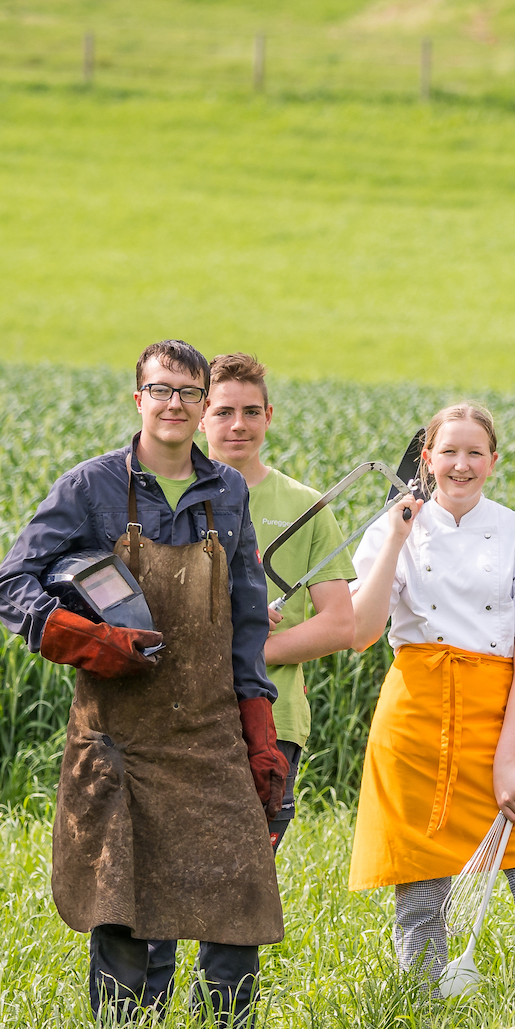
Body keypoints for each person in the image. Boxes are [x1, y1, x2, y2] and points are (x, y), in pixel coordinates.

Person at [0, 341, 288, 1026]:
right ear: (139, 399)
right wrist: (86, 640)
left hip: (210, 732)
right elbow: (11, 586)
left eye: (189, 392)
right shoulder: (90, 487)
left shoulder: (229, 491)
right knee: (123, 903)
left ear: (203, 403)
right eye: (162, 390)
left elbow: (246, 619)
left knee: (239, 895)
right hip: (120, 736)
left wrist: (259, 731)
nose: (175, 404)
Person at [343, 401, 515, 983]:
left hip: (495, 717)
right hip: (416, 718)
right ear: (427, 459)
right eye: (448, 451)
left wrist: (506, 762)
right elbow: (363, 633)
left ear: (493, 462)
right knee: (422, 888)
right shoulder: (392, 528)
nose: (461, 464)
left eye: (475, 452)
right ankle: (418, 1005)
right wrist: (396, 536)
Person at [200, 353, 360, 836]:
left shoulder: (304, 505)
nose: (238, 425)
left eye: (251, 412)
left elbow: (340, 624)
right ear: (201, 414)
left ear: (268, 416)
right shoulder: (169, 495)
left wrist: (253, 649)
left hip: (273, 717)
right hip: (185, 711)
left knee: (250, 886)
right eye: (224, 412)